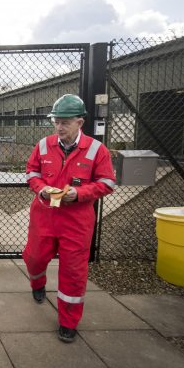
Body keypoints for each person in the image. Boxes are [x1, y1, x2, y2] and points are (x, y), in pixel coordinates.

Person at [23, 94, 116, 343]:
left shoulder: (97, 150)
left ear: (80, 122)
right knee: (33, 258)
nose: (59, 127)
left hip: (76, 221)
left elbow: (107, 183)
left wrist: (80, 194)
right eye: (56, 121)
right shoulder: (44, 145)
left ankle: (68, 321)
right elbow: (31, 172)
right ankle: (38, 283)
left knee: (73, 272)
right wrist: (41, 188)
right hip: (44, 216)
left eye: (65, 122)